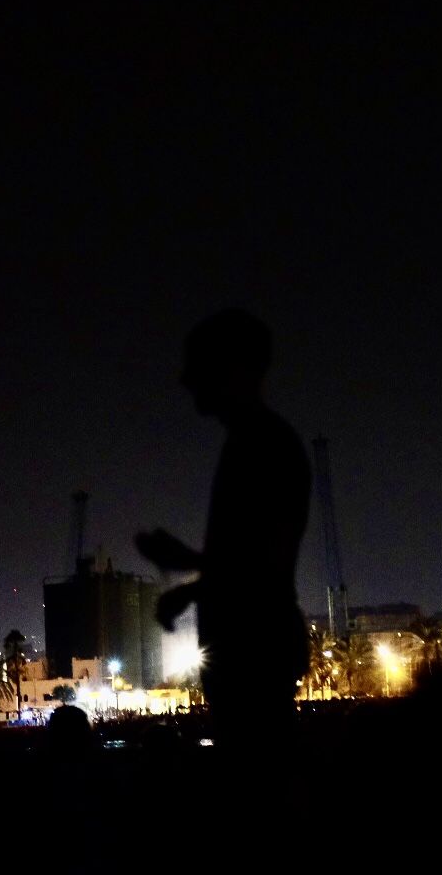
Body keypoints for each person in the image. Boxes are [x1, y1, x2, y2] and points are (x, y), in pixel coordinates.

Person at [137, 309, 310, 744]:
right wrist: (192, 582)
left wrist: (188, 567)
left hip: (254, 656)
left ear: (231, 367)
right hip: (257, 652)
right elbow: (256, 563)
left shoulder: (263, 445)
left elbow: (266, 565)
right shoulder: (257, 442)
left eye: (197, 365)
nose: (185, 379)